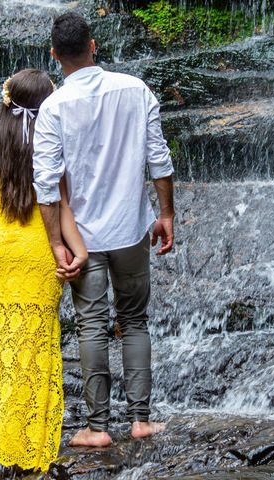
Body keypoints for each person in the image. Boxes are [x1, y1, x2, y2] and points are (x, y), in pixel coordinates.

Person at [32, 12, 175, 447]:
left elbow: (45, 184)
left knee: (91, 326)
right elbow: (159, 159)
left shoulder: (53, 107)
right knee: (134, 321)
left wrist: (56, 241)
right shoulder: (136, 89)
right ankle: (141, 421)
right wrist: (165, 214)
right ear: (93, 46)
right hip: (131, 229)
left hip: (82, 240)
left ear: (55, 56)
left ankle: (97, 428)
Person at [0, 69, 87, 472]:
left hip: (1, 248)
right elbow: (62, 204)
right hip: (41, 247)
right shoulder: (51, 143)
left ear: (6, 100)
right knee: (37, 337)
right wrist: (76, 250)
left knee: (1, 334)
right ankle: (26, 431)